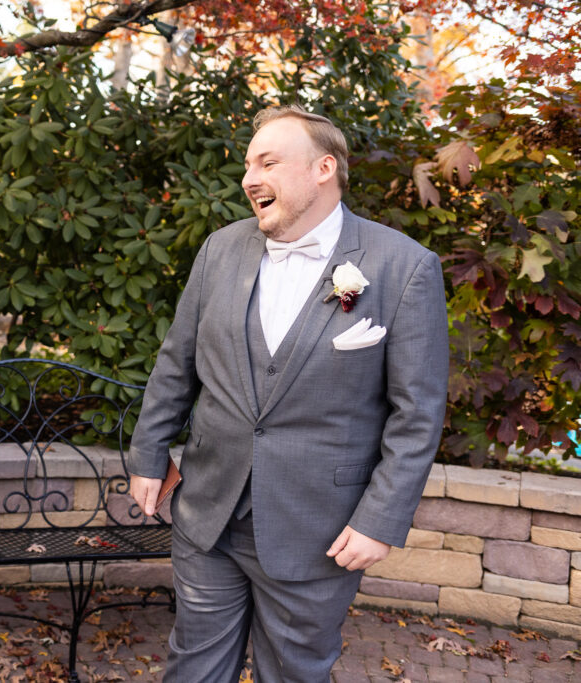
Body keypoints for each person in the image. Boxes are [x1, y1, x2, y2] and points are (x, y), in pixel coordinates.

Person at [127, 105, 449, 682]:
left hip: (318, 526)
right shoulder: (220, 250)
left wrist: (381, 519)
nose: (250, 178)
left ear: (323, 168)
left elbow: (417, 415)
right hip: (208, 511)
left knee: (294, 672)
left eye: (268, 162)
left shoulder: (403, 267)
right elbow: (177, 362)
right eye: (249, 164)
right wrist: (149, 453)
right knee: (191, 668)